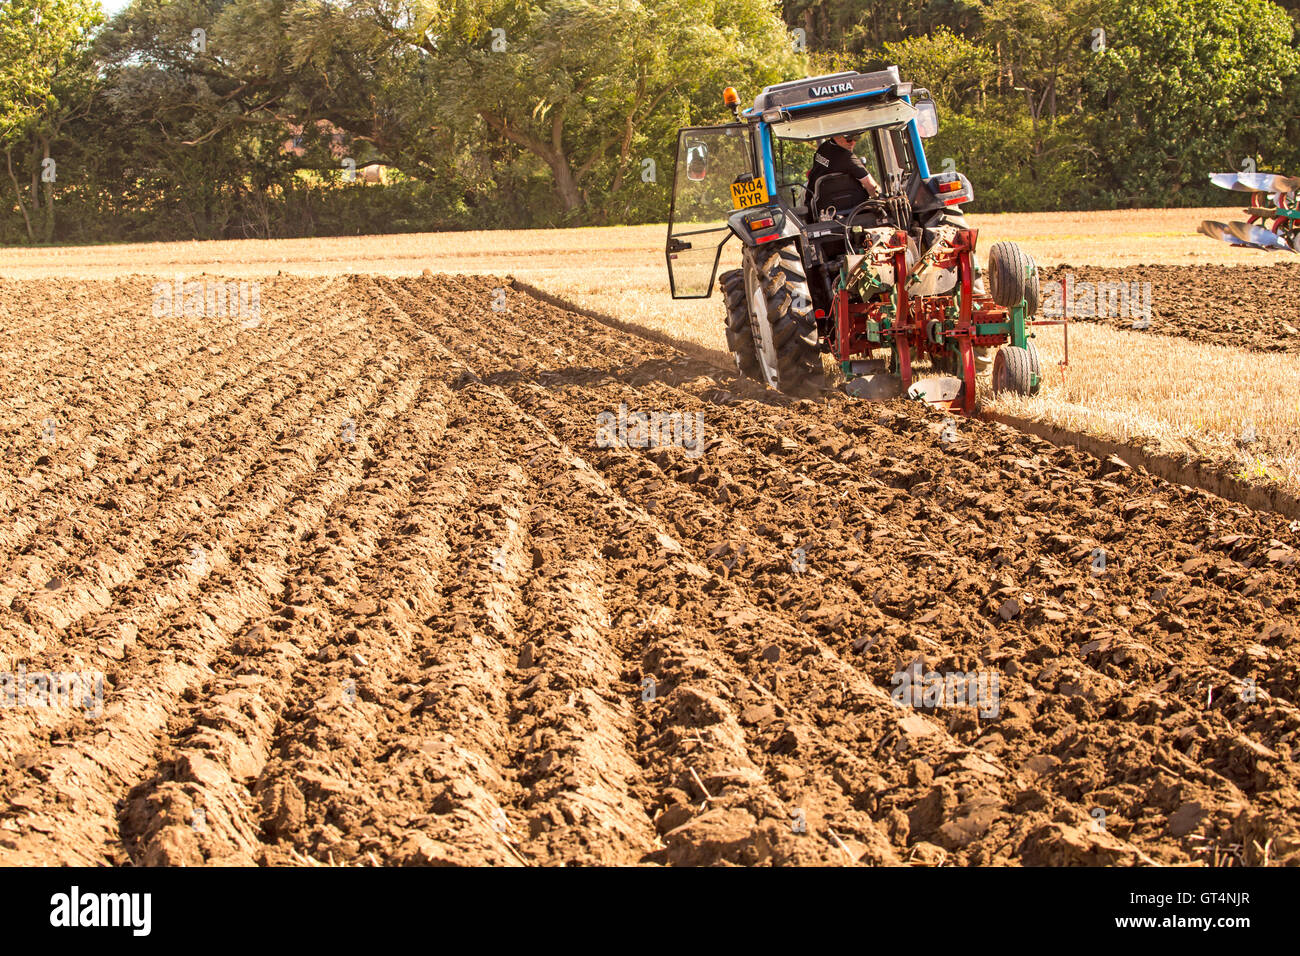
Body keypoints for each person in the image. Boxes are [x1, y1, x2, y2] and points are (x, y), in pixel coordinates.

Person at [806, 133, 882, 204]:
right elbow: (871, 187)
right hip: (844, 209)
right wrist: (881, 197)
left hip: (815, 205)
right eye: (849, 139)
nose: (852, 143)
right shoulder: (848, 158)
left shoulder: (823, 148)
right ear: (836, 136)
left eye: (856, 138)